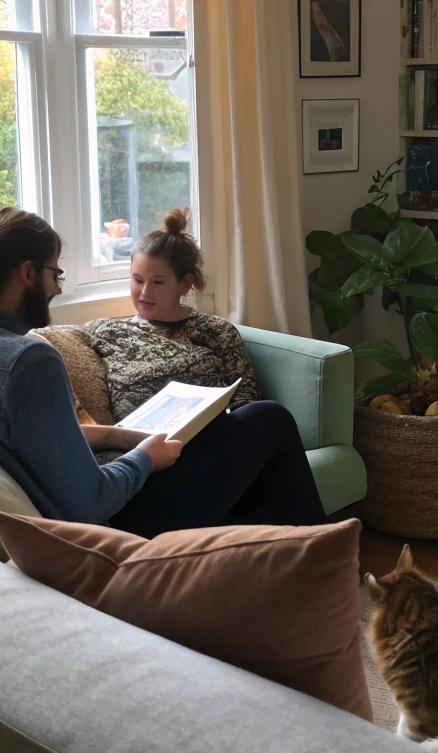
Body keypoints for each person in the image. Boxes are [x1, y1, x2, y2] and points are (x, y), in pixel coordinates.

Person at [0, 207, 183, 525]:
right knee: (246, 422)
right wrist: (145, 458)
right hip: (100, 529)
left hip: (35, 516)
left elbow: (22, 438)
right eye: (55, 274)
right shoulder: (29, 362)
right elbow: (91, 504)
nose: (57, 289)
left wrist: (116, 437)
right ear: (28, 273)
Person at [82, 208, 328, 537]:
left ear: (184, 284)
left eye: (157, 282)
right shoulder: (103, 332)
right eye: (137, 280)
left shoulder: (214, 331)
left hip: (202, 455)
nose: (144, 293)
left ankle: (310, 555)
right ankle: (325, 552)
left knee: (269, 416)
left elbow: (245, 401)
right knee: (275, 422)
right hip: (141, 473)